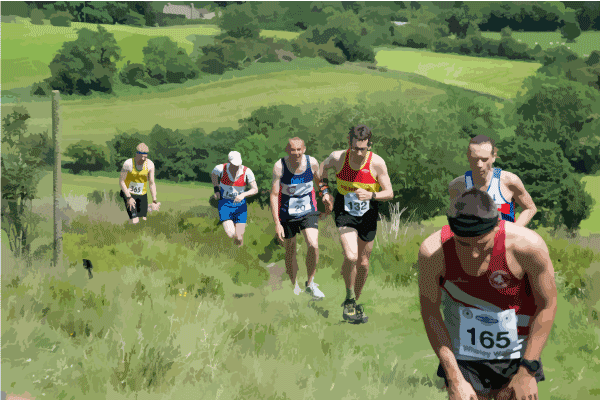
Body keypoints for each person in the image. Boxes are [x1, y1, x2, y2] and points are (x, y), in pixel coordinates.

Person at [418, 188, 557, 400]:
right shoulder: (433, 252)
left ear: (497, 226)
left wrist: (527, 371)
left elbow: (547, 304)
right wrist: (454, 378)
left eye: (482, 245)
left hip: (518, 355)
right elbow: (430, 311)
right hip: (464, 356)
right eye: (463, 244)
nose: (473, 252)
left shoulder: (528, 246)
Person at [319, 125, 394, 323]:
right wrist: (325, 191)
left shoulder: (377, 163)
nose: (359, 153)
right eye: (355, 148)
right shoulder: (337, 158)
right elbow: (322, 169)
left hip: (368, 213)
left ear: (370, 145)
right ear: (349, 143)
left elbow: (390, 193)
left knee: (363, 263)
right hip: (345, 210)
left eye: (363, 149)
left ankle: (353, 303)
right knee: (351, 256)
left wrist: (371, 194)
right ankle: (350, 298)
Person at [270, 137, 325, 298]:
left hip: (308, 210)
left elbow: (319, 182)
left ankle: (310, 283)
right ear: (287, 150)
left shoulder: (312, 162)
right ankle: (294, 286)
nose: (296, 153)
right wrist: (277, 223)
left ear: (304, 149)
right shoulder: (279, 166)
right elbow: (274, 195)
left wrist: (325, 195)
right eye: (293, 150)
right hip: (287, 213)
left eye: (299, 149)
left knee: (313, 244)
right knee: (290, 250)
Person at [449, 135, 537, 226]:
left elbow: (530, 208)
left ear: (494, 157)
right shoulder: (457, 186)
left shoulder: (509, 181)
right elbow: (454, 218)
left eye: (484, 159)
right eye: (474, 159)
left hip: (504, 239)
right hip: (472, 239)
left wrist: (515, 230)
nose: (479, 164)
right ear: (468, 157)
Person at [211, 151, 258, 247]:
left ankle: (240, 253)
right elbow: (213, 175)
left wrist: (243, 195)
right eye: (233, 164)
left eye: (238, 164)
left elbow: (255, 189)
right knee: (231, 234)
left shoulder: (247, 171)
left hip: (240, 207)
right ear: (228, 161)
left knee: (239, 237)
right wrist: (216, 189)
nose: (236, 167)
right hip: (225, 205)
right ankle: (234, 251)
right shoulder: (220, 169)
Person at [119, 143, 160, 224]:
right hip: (129, 193)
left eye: (146, 157)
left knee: (143, 220)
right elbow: (121, 181)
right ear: (137, 154)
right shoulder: (128, 163)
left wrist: (154, 200)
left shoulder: (150, 165)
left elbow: (151, 183)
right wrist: (128, 197)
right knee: (135, 221)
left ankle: (148, 207)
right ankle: (128, 232)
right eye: (142, 157)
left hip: (142, 194)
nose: (144, 159)